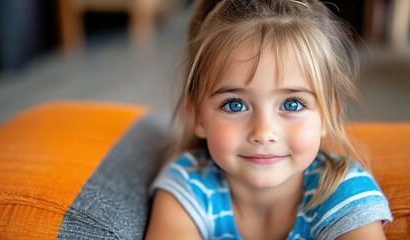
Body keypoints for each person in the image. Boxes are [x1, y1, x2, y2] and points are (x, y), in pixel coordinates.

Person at [145, 0, 392, 239]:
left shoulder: (344, 191)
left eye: (291, 104)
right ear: (197, 117)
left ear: (328, 116)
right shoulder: (187, 186)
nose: (263, 132)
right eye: (235, 105)